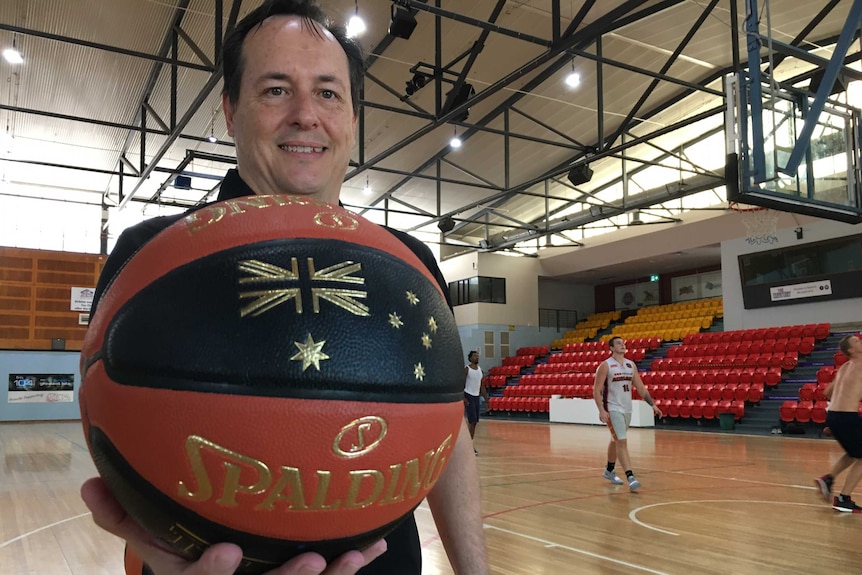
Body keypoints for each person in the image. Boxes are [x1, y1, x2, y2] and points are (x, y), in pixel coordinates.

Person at [80, 1, 489, 573]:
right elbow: (125, 437)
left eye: (328, 93)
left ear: (351, 118)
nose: (305, 115)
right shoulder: (149, 257)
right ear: (230, 110)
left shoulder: (411, 263)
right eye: (275, 90)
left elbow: (443, 425)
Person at [593, 336, 662, 492]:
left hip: (627, 408)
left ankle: (609, 470)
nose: (622, 345)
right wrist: (601, 410)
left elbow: (641, 387)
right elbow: (597, 390)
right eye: (618, 343)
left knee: (615, 440)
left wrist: (653, 404)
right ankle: (631, 477)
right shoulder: (605, 366)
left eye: (623, 343)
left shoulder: (631, 365)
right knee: (622, 442)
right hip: (613, 408)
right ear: (611, 348)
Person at [814, 334, 862, 512]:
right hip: (846, 416)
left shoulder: (844, 367)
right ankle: (843, 498)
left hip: (833, 415)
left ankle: (828, 479)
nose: (860, 340)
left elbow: (827, 392)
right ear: (851, 350)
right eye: (856, 341)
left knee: (853, 452)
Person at [464, 350, 489, 454]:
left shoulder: (480, 370)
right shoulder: (467, 369)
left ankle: (469, 444)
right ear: (470, 358)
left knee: (474, 423)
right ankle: (468, 447)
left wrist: (487, 400)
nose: (476, 358)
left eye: (477, 356)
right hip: (468, 395)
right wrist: (463, 398)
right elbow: (461, 383)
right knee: (472, 421)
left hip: (476, 396)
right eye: (474, 356)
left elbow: (482, 386)